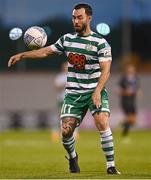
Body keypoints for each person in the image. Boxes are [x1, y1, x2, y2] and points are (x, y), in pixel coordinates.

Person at [8, 3, 120, 174]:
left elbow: (106, 71)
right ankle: (73, 157)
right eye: (74, 17)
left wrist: (97, 90)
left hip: (94, 90)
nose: (76, 20)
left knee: (102, 121)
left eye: (79, 17)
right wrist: (22, 55)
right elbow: (46, 51)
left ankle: (111, 166)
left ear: (89, 18)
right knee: (66, 131)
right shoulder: (67, 39)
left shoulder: (100, 43)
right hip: (73, 94)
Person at [118, 63, 140, 137]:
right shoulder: (123, 78)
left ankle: (122, 124)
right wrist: (125, 92)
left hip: (132, 100)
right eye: (129, 68)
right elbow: (117, 90)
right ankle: (124, 134)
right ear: (127, 70)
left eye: (132, 69)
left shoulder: (136, 78)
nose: (131, 70)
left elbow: (137, 88)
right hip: (125, 100)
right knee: (130, 118)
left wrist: (138, 92)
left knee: (133, 121)